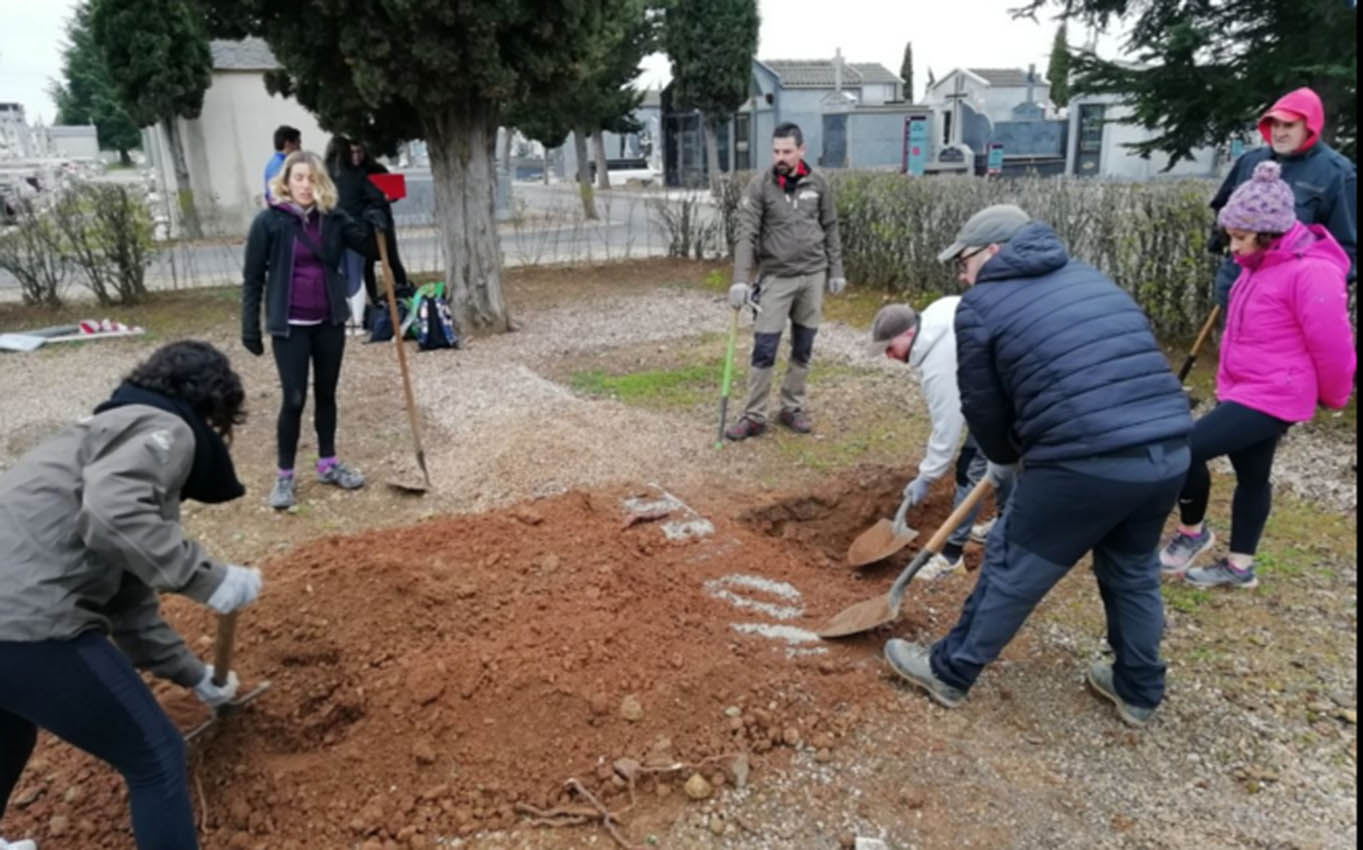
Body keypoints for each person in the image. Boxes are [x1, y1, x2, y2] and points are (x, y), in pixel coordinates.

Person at [882, 204, 1194, 728]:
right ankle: (1138, 689)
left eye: (965, 261)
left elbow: (983, 404)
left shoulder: (981, 305)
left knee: (1012, 566)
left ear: (995, 252)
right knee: (1132, 570)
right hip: (1166, 451)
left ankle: (949, 671)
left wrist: (1003, 461)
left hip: (1083, 460)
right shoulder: (1093, 278)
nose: (961, 274)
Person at [0, 341, 264, 850]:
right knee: (156, 755)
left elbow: (131, 609)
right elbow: (111, 515)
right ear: (212, 414)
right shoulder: (165, 427)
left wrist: (198, 678)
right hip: (27, 622)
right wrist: (210, 579)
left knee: (9, 728)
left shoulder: (102, 435)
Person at [1160, 162, 1355, 588]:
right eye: (1231, 235)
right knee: (1253, 476)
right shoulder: (1259, 265)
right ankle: (1240, 566)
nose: (1232, 246)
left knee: (1183, 448)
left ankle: (1193, 533)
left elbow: (1335, 346)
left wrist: (1334, 395)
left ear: (1269, 234)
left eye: (1240, 238)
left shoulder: (1310, 272)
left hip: (1275, 394)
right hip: (1248, 387)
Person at [242, 149, 385, 509]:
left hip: (328, 322)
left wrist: (378, 218)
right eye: (299, 178)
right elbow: (253, 278)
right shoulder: (269, 223)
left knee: (326, 394)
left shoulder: (332, 219)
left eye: (312, 178)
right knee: (293, 398)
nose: (306, 185)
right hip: (290, 325)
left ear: (321, 182)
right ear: (287, 182)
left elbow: (371, 249)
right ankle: (285, 476)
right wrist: (250, 327)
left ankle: (328, 463)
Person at [867, 299, 1015, 579]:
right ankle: (1008, 521)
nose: (889, 356)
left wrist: (927, 476)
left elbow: (947, 428)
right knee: (1000, 460)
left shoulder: (939, 366)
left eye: (889, 348)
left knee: (971, 468)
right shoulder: (938, 310)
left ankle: (951, 555)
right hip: (1000, 385)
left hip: (1011, 394)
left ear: (909, 334)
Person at [725, 122, 845, 439]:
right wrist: (740, 279)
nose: (781, 156)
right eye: (776, 151)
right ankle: (754, 415)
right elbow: (746, 233)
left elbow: (830, 226)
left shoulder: (818, 183)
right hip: (776, 278)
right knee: (765, 348)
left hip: (813, 276)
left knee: (804, 345)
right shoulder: (760, 186)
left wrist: (836, 270)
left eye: (787, 151)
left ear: (801, 150)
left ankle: (792, 407)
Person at [1209, 87, 1355, 309]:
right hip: (1236, 288)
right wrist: (1227, 243)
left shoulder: (1337, 173)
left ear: (1310, 126)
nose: (1279, 132)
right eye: (1274, 125)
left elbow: (1346, 248)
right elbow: (1222, 210)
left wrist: (1320, 292)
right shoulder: (1250, 161)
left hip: (1289, 300)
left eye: (1289, 125)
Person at [325, 134, 388, 332]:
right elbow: (376, 197)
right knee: (355, 274)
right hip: (356, 228)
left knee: (340, 274)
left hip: (331, 230)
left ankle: (345, 319)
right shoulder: (357, 174)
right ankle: (357, 321)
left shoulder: (324, 175)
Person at [349, 140, 410, 307]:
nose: (356, 156)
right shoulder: (349, 173)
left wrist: (388, 196)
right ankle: (374, 300)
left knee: (392, 260)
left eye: (359, 152)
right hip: (362, 225)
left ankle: (403, 293)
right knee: (366, 265)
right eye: (352, 152)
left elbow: (394, 192)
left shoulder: (376, 169)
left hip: (382, 222)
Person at [264, 125, 301, 205]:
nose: (300, 148)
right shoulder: (282, 165)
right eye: (298, 143)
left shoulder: (274, 163)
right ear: (288, 144)